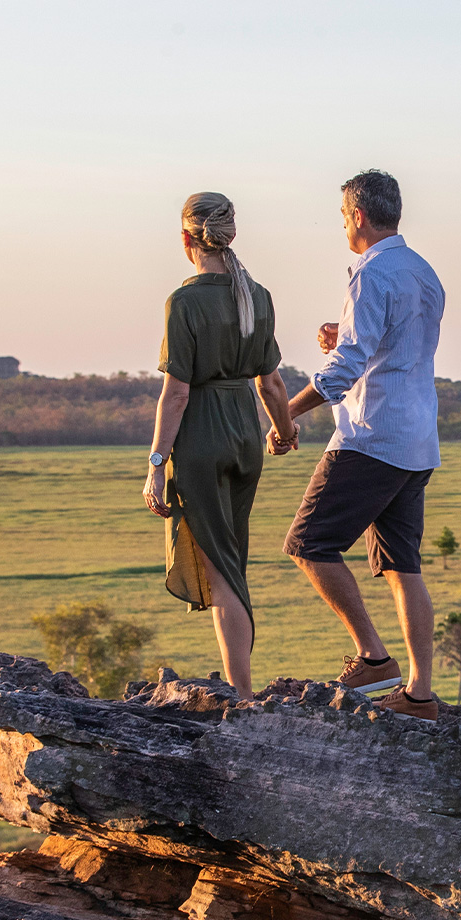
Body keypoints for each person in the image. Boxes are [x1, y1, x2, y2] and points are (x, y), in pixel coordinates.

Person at [282, 170, 445, 721]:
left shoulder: (371, 273)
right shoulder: (424, 273)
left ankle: (374, 657)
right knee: (403, 564)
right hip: (418, 437)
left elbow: (350, 364)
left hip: (371, 436)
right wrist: (343, 334)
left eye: (342, 216)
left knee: (309, 543)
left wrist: (287, 410)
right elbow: (389, 344)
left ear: (355, 215)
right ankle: (420, 695)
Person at [143, 191, 297, 696]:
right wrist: (284, 430)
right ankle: (241, 684)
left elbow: (177, 392)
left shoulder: (184, 301)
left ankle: (243, 694)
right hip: (245, 436)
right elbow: (271, 384)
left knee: (223, 568)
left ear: (186, 238)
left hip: (203, 436)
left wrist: (155, 462)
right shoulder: (260, 295)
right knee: (232, 557)